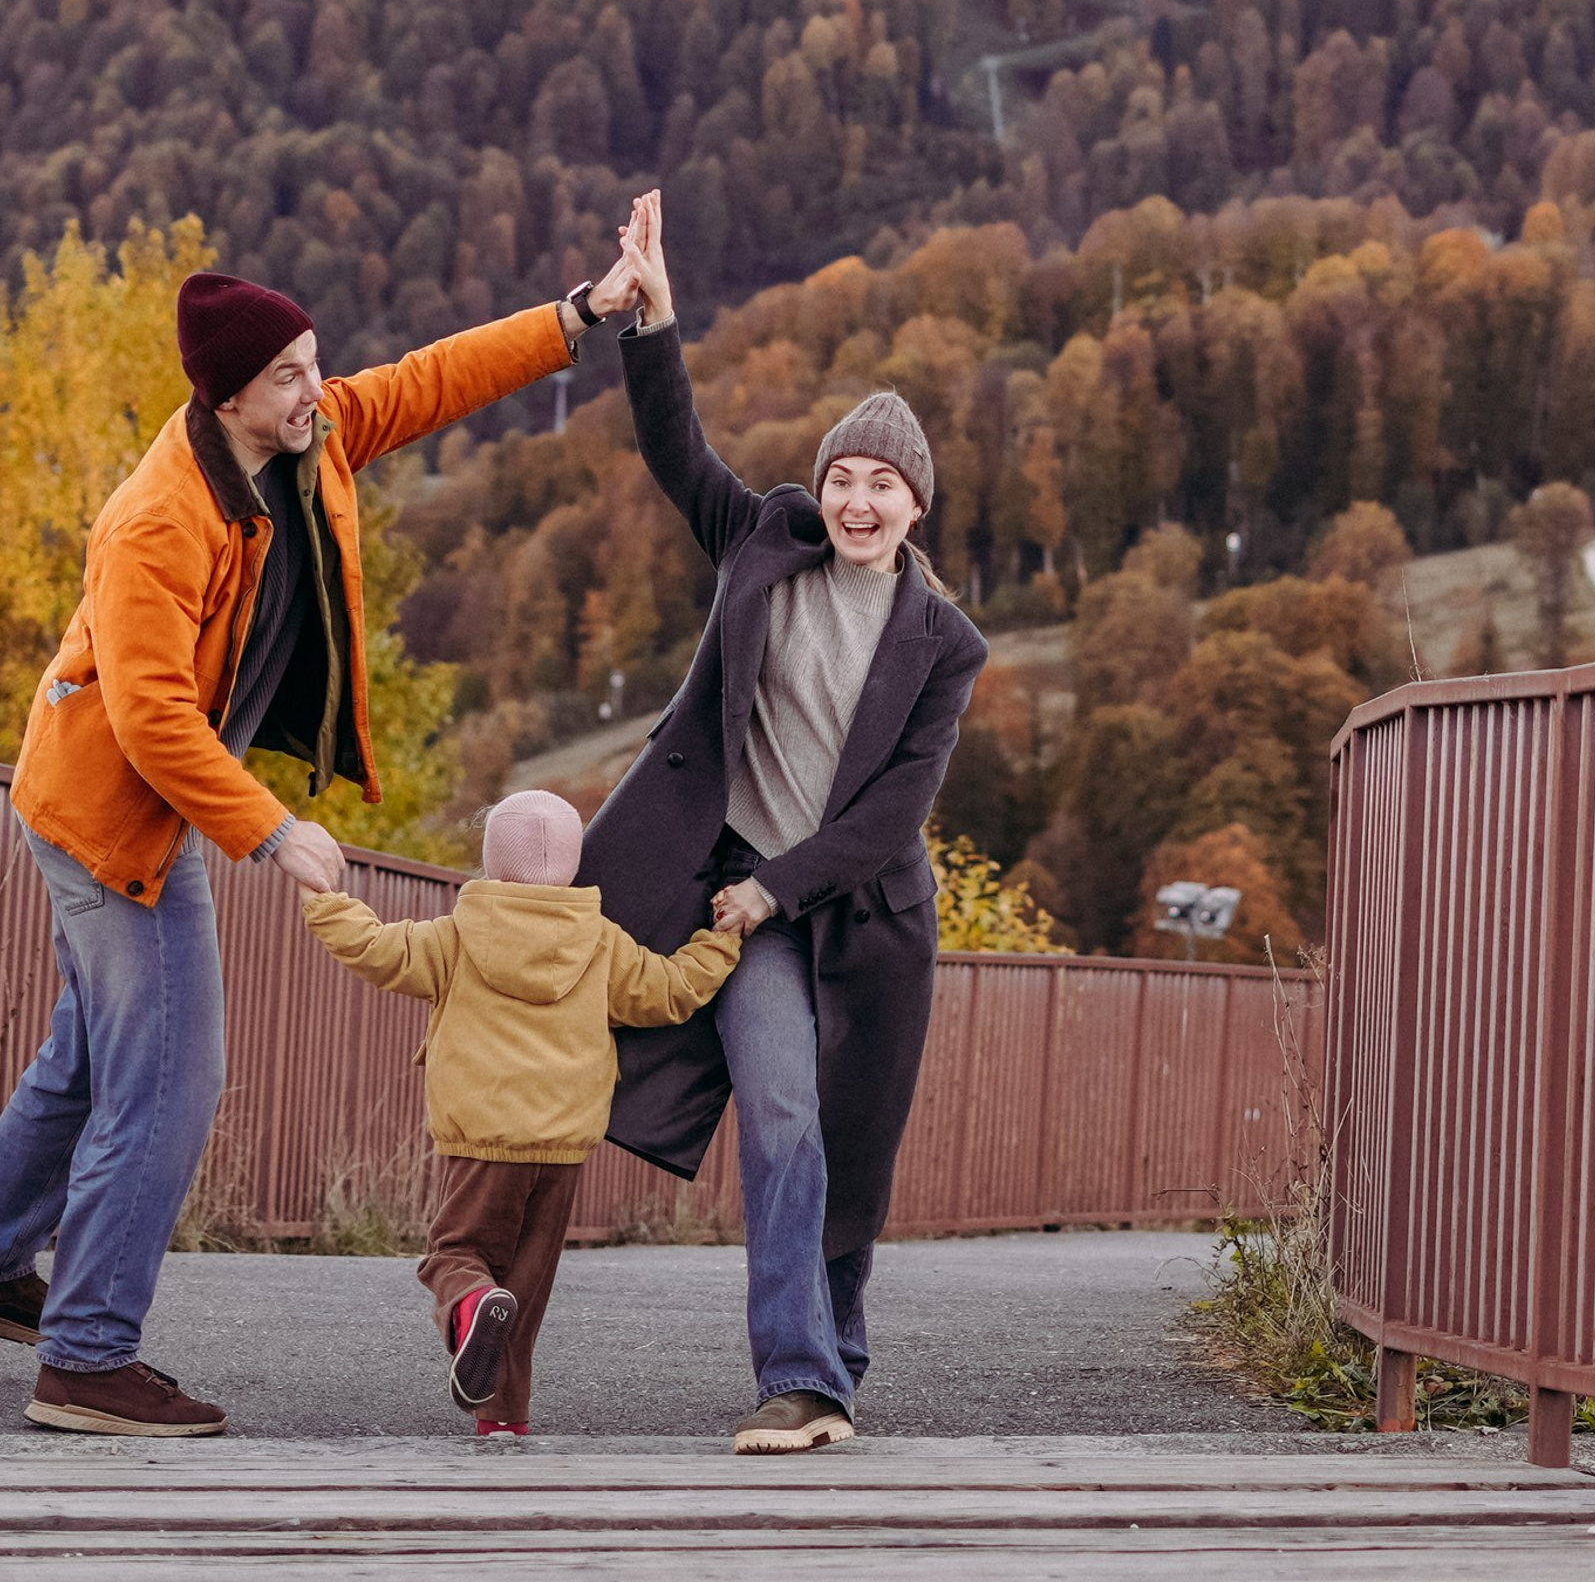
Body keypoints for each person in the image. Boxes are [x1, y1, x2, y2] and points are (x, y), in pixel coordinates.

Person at [0, 252, 639, 1436]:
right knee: (168, 1077)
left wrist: (577, 314)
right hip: (103, 817)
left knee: (88, 1062)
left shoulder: (305, 435)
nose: (318, 386)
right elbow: (149, 716)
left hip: (131, 801)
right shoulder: (156, 518)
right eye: (291, 373)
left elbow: (430, 377)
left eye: (313, 361)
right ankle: (86, 1357)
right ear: (230, 393)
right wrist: (273, 827)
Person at [582, 188, 987, 1454]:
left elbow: (888, 817)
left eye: (885, 484)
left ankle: (836, 1351)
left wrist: (780, 887)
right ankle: (804, 1379)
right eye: (844, 478)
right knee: (785, 1113)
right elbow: (676, 450)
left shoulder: (943, 643)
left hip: (862, 921)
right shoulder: (764, 541)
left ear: (918, 506)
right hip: (743, 897)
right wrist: (653, 320)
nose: (859, 499)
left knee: (852, 1152)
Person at [302, 787, 739, 1435]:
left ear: (489, 861)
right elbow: (669, 993)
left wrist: (324, 901)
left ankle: (473, 1302)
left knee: (455, 1255)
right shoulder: (600, 943)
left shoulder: (455, 936)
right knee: (526, 1289)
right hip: (564, 1142)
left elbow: (376, 949)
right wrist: (721, 943)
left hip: (482, 1135)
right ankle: (502, 1421)